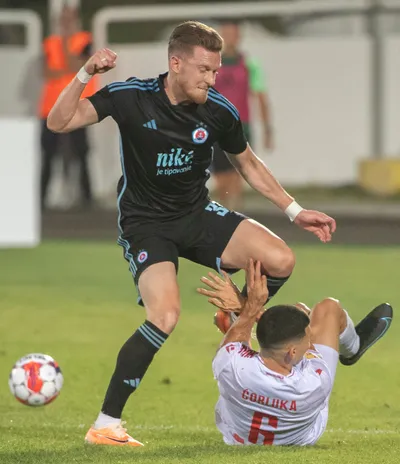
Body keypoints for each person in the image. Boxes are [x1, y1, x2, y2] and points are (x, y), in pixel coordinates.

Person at [47, 21, 336, 447]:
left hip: (196, 215)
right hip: (146, 225)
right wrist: (85, 73)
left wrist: (294, 211)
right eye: (203, 69)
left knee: (281, 259)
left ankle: (236, 315)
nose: (211, 78)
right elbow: (59, 122)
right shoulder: (131, 97)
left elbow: (249, 165)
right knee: (164, 316)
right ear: (175, 62)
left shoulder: (218, 110)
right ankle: (106, 424)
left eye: (215, 70)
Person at [197, 260, 393, 446]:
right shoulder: (315, 382)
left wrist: (247, 309)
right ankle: (353, 348)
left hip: (239, 436)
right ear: (292, 352)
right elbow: (306, 345)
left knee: (245, 334)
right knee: (328, 309)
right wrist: (251, 309)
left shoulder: (230, 365)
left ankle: (236, 324)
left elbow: (240, 344)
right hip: (301, 437)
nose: (310, 342)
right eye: (308, 341)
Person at [211, 20, 273, 210]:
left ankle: (236, 217)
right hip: (215, 127)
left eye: (232, 34)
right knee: (221, 177)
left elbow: (260, 95)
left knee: (238, 174)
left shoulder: (249, 64)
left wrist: (267, 129)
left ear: (238, 37)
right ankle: (224, 214)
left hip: (241, 127)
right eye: (225, 34)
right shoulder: (211, 64)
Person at [39, 5, 96, 209]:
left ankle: (87, 200)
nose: (65, 22)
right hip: (50, 108)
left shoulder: (84, 40)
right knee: (48, 155)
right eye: (62, 18)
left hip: (78, 107)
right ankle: (41, 202)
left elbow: (76, 67)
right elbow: (47, 73)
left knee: (81, 154)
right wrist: (65, 63)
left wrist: (64, 47)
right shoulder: (49, 43)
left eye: (68, 18)